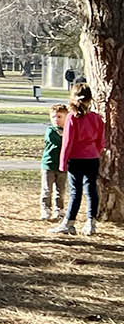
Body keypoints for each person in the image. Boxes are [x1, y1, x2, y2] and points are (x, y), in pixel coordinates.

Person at [52, 84, 107, 236]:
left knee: (76, 192)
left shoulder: (72, 118)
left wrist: (63, 162)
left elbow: (68, 142)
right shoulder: (96, 118)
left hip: (76, 158)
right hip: (92, 157)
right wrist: (96, 152)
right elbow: (101, 141)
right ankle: (91, 223)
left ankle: (69, 222)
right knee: (91, 191)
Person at [40, 103, 68, 221]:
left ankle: (59, 209)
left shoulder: (68, 130)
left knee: (60, 190)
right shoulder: (50, 131)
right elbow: (60, 143)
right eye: (54, 117)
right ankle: (46, 209)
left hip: (62, 165)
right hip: (49, 164)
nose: (56, 120)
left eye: (60, 117)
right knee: (47, 189)